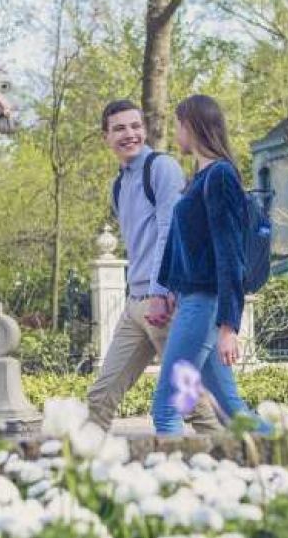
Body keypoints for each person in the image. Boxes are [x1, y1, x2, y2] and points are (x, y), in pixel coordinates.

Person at [85, 100, 223, 433]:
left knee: (192, 404)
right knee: (100, 397)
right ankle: (85, 475)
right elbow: (138, 244)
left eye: (135, 126)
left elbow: (170, 232)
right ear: (106, 136)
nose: (129, 134)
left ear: (144, 130)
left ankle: (232, 468)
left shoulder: (161, 168)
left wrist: (162, 292)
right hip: (135, 307)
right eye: (119, 128)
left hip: (163, 304)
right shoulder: (117, 186)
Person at [153, 95, 269, 435]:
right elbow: (187, 243)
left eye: (178, 124)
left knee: (167, 408)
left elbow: (229, 253)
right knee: (233, 411)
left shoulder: (220, 176)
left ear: (191, 126)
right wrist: (171, 287)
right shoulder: (200, 179)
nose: (176, 132)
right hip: (192, 300)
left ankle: (168, 487)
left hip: (205, 304)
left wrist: (229, 327)